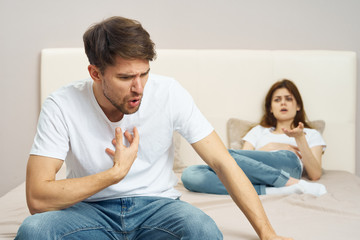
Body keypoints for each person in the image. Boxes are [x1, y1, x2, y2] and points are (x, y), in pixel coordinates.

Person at [15, 16, 291, 240]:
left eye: (144, 74)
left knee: (203, 229)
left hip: (158, 209)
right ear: (95, 73)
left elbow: (222, 162)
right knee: (34, 230)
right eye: (125, 77)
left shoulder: (169, 93)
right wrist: (115, 174)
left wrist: (267, 233)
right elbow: (37, 198)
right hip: (89, 212)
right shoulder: (62, 104)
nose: (139, 88)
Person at [182, 79, 327, 196]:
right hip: (255, 174)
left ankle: (290, 181)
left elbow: (315, 174)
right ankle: (272, 190)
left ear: (298, 106)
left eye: (288, 99)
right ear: (270, 108)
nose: (283, 103)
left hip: (288, 165)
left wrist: (300, 138)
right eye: (277, 100)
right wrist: (269, 147)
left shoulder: (310, 134)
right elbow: (242, 161)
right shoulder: (258, 131)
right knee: (190, 175)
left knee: (223, 154)